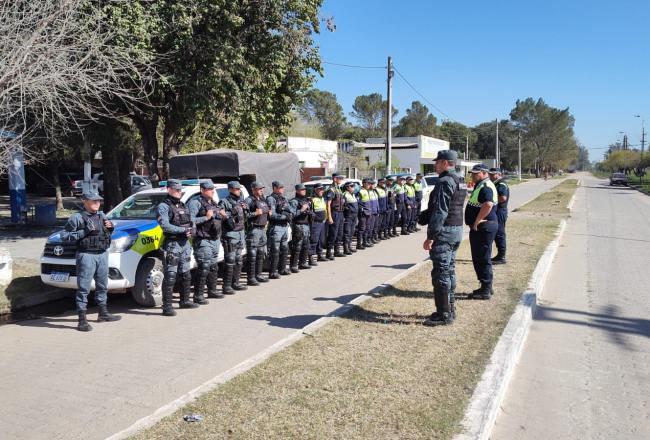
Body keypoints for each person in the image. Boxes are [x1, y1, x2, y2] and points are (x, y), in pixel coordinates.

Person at [61, 190, 120, 331]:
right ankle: (82, 320)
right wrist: (84, 231)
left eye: (98, 200)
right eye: (94, 201)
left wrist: (110, 228)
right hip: (86, 255)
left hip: (102, 254)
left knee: (102, 285)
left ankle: (103, 313)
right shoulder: (77, 218)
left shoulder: (101, 215)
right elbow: (64, 236)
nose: (97, 203)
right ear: (85, 201)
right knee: (84, 288)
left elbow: (105, 233)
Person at [421, 151, 466, 326]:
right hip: (456, 230)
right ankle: (450, 309)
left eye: (438, 162)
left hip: (445, 232)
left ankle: (444, 314)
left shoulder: (444, 181)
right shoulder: (459, 180)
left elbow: (441, 211)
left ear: (445, 163)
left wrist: (431, 236)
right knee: (449, 270)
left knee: (441, 272)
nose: (435, 165)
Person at [157, 179, 197, 316]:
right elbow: (165, 226)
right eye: (177, 190)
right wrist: (182, 230)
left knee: (186, 273)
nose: (179, 192)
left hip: (185, 243)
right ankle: (167, 306)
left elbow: (191, 221)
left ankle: (184, 300)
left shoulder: (183, 205)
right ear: (169, 189)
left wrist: (192, 229)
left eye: (180, 190)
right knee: (171, 275)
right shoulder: (164, 206)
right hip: (173, 244)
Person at [188, 180, 227, 302]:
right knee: (204, 267)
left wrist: (224, 216)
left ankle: (212, 290)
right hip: (203, 239)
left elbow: (219, 219)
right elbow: (190, 221)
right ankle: (198, 295)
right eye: (209, 189)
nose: (212, 191)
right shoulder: (195, 203)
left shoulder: (214, 203)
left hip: (215, 239)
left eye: (212, 189)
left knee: (213, 267)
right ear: (202, 190)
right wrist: (206, 217)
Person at [465, 164, 498, 300]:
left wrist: (477, 221)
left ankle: (485, 289)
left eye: (476, 173)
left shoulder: (485, 186)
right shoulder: (481, 185)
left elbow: (488, 204)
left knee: (482, 258)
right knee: (482, 257)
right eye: (472, 173)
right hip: (484, 227)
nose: (473, 175)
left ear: (484, 173)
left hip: (483, 228)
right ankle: (487, 286)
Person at [218, 181, 249, 294]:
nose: (238, 191)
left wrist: (246, 209)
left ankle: (235, 282)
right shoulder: (224, 202)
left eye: (239, 189)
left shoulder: (241, 201)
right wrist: (231, 212)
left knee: (239, 260)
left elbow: (245, 217)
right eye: (236, 189)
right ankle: (226, 286)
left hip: (240, 233)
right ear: (230, 189)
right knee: (230, 260)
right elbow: (220, 216)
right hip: (230, 234)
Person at [244, 182, 270, 286]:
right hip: (254, 229)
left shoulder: (262, 199)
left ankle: (258, 274)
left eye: (262, 188)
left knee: (260, 253)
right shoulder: (249, 200)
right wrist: (255, 213)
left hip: (263, 228)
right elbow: (244, 216)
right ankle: (251, 278)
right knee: (252, 254)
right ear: (253, 189)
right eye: (259, 189)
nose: (261, 190)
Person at [266, 181, 292, 278]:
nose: (282, 189)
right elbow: (272, 215)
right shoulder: (271, 199)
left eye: (282, 187)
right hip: (276, 226)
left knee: (285, 249)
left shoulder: (284, 198)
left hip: (284, 226)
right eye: (280, 187)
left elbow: (290, 210)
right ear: (275, 188)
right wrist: (284, 216)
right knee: (275, 250)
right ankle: (273, 272)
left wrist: (288, 215)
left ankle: (282, 269)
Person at [289, 183, 313, 273]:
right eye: (302, 190)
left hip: (306, 225)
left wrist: (311, 214)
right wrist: (302, 210)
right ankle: (293, 265)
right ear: (297, 191)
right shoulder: (294, 201)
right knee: (297, 246)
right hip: (298, 225)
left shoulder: (306, 200)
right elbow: (292, 214)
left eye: (304, 189)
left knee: (306, 245)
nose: (304, 191)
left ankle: (303, 263)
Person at [489, 168, 509, 264]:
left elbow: (503, 197)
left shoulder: (501, 184)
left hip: (500, 211)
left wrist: (491, 200)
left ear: (498, 174)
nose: (490, 176)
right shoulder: (496, 183)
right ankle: (499, 255)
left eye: (492, 174)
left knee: (500, 233)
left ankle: (501, 256)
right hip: (497, 211)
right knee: (497, 234)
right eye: (490, 174)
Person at [325, 172, 346, 259]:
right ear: (334, 179)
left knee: (340, 233)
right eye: (339, 178)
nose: (341, 179)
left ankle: (337, 251)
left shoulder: (339, 189)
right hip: (334, 213)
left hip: (340, 213)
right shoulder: (331, 190)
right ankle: (329, 252)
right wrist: (329, 217)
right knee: (333, 233)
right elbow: (328, 204)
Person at [309, 183, 327, 265]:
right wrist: (314, 218)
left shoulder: (322, 198)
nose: (322, 191)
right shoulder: (312, 199)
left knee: (321, 240)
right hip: (315, 223)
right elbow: (310, 212)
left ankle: (319, 254)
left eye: (322, 189)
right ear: (315, 190)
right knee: (314, 240)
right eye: (320, 189)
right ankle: (311, 257)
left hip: (322, 222)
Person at [342, 181, 358, 254]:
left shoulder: (353, 194)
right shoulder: (345, 195)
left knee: (352, 231)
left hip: (354, 216)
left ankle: (349, 246)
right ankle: (346, 249)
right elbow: (342, 206)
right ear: (347, 187)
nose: (353, 188)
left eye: (353, 186)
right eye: (351, 186)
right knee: (347, 232)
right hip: (348, 216)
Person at [356, 178, 373, 249]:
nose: (369, 185)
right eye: (368, 184)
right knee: (361, 228)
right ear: (364, 183)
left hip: (368, 212)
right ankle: (359, 244)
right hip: (363, 213)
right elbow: (358, 203)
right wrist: (362, 211)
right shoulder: (360, 191)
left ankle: (365, 242)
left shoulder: (367, 190)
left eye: (370, 184)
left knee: (367, 228)